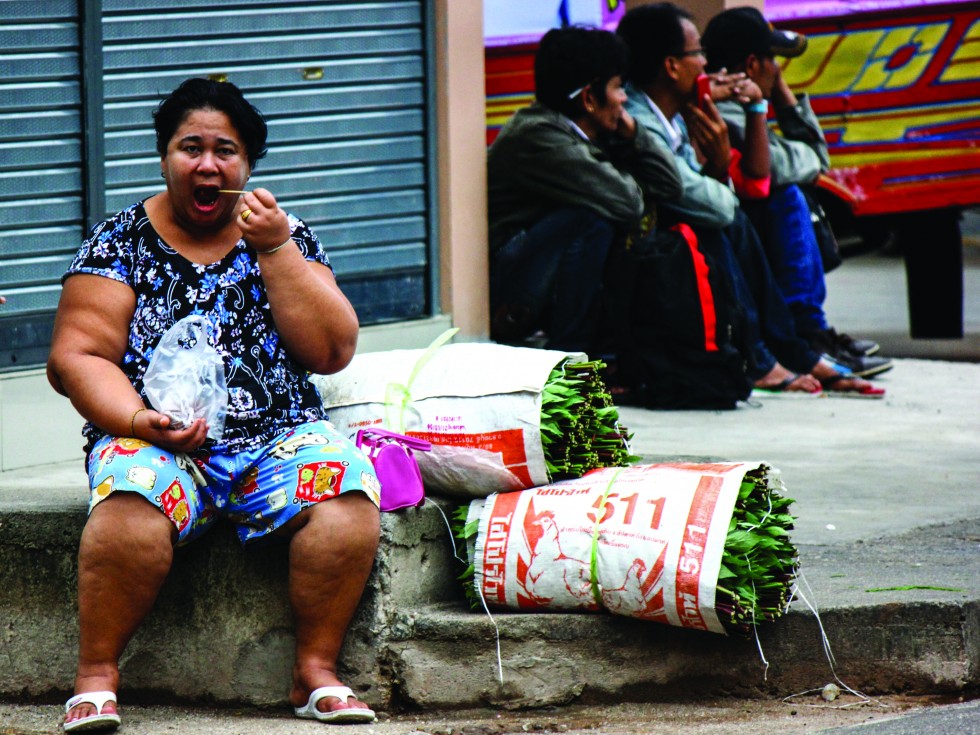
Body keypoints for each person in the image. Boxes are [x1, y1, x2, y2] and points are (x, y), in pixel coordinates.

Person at [47, 78, 382, 731]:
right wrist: (140, 421)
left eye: (224, 150)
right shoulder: (120, 242)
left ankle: (315, 672)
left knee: (347, 492)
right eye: (188, 147)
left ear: (248, 164)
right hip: (154, 437)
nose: (206, 164)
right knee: (132, 500)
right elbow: (77, 356)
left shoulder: (286, 235)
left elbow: (332, 348)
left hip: (276, 439)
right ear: (164, 157)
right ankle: (95, 677)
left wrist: (277, 248)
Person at [616, 3, 884, 397]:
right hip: (647, 261)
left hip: (688, 240)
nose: (705, 64)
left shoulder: (676, 114)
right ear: (672, 66)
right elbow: (731, 194)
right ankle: (771, 355)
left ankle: (791, 350)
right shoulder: (653, 119)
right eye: (697, 54)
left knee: (743, 217)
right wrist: (730, 151)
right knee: (741, 217)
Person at [701, 6, 892, 377]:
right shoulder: (732, 115)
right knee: (789, 196)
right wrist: (776, 95)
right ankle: (808, 332)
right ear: (754, 64)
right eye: (774, 60)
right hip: (734, 238)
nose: (779, 69)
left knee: (795, 195)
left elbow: (812, 159)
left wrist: (776, 90)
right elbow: (810, 160)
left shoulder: (743, 105)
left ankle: (811, 330)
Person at [487, 25, 682, 355]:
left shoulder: (584, 131)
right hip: (508, 289)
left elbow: (669, 185)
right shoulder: (538, 136)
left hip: (535, 273)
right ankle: (571, 354)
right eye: (619, 88)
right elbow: (630, 203)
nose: (624, 100)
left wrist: (634, 134)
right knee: (591, 220)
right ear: (590, 98)